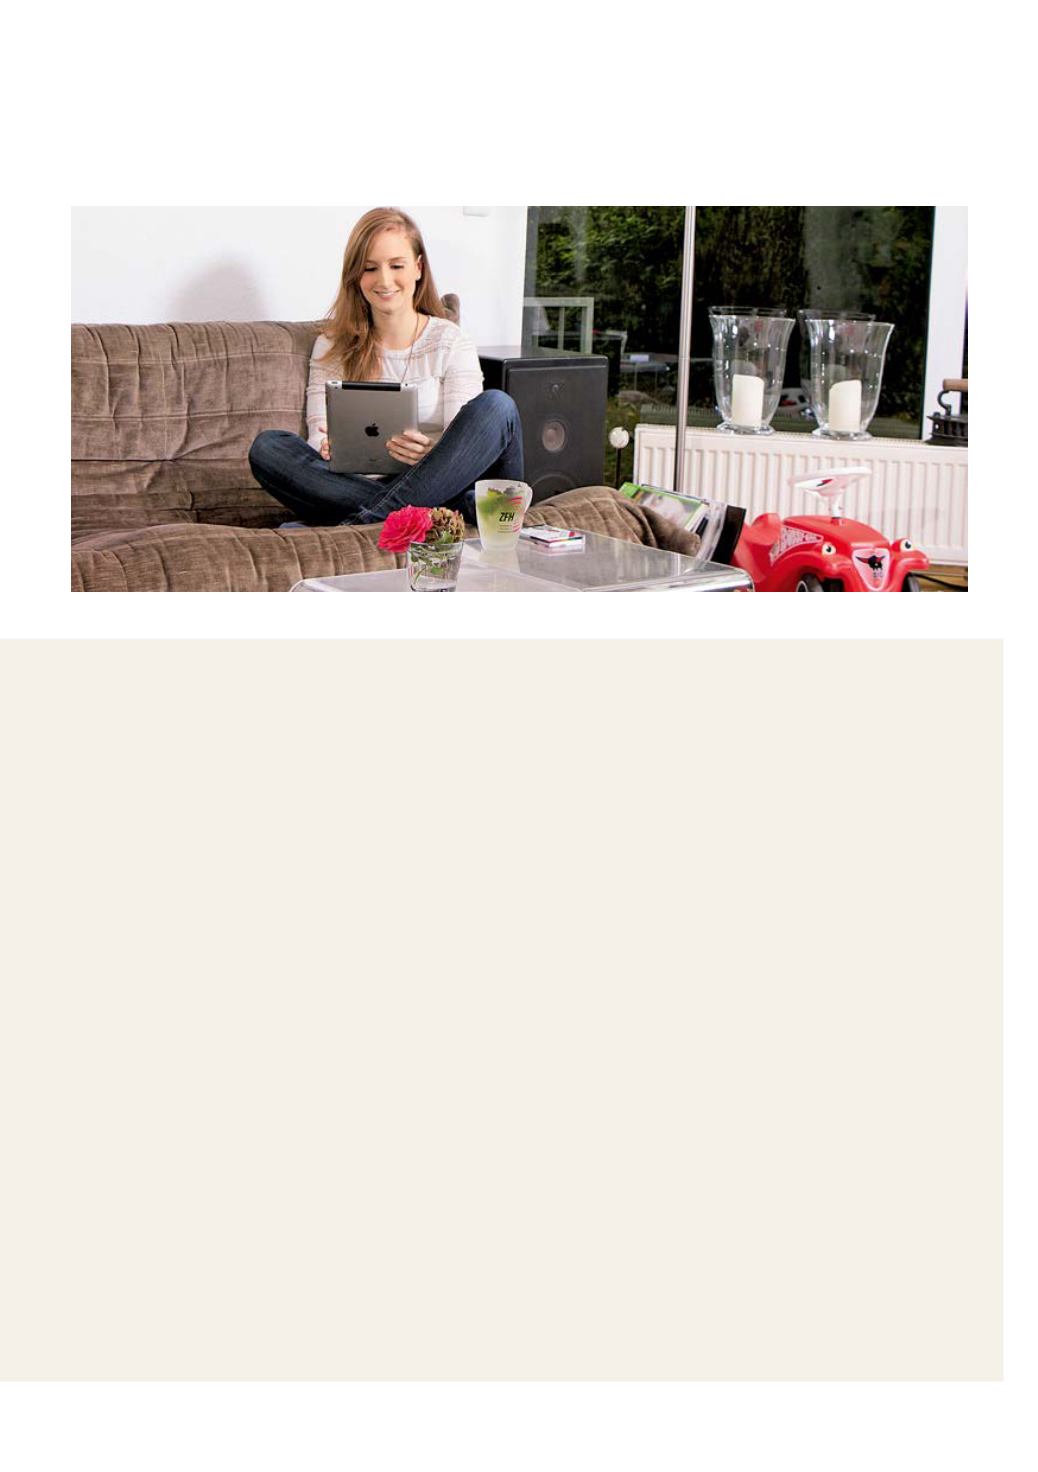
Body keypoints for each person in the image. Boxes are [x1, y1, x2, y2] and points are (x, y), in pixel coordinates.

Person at [248, 207, 524, 527]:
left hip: (442, 482)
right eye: (370, 268)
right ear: (356, 275)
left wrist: (430, 453)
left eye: (396, 266)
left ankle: (368, 522)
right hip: (356, 486)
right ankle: (425, 517)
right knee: (268, 447)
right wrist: (327, 450)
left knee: (498, 406)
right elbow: (317, 436)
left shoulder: (451, 341)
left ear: (418, 268)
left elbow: (465, 445)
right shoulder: (332, 346)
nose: (384, 280)